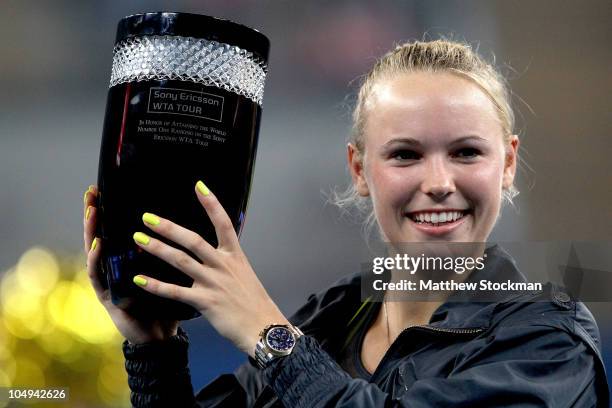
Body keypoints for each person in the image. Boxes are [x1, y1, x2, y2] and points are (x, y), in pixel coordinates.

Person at [82, 39, 609, 407]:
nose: (439, 181)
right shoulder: (335, 318)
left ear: (508, 163)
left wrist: (271, 337)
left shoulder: (550, 341)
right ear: (360, 168)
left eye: (467, 152)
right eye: (405, 155)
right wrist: (154, 348)